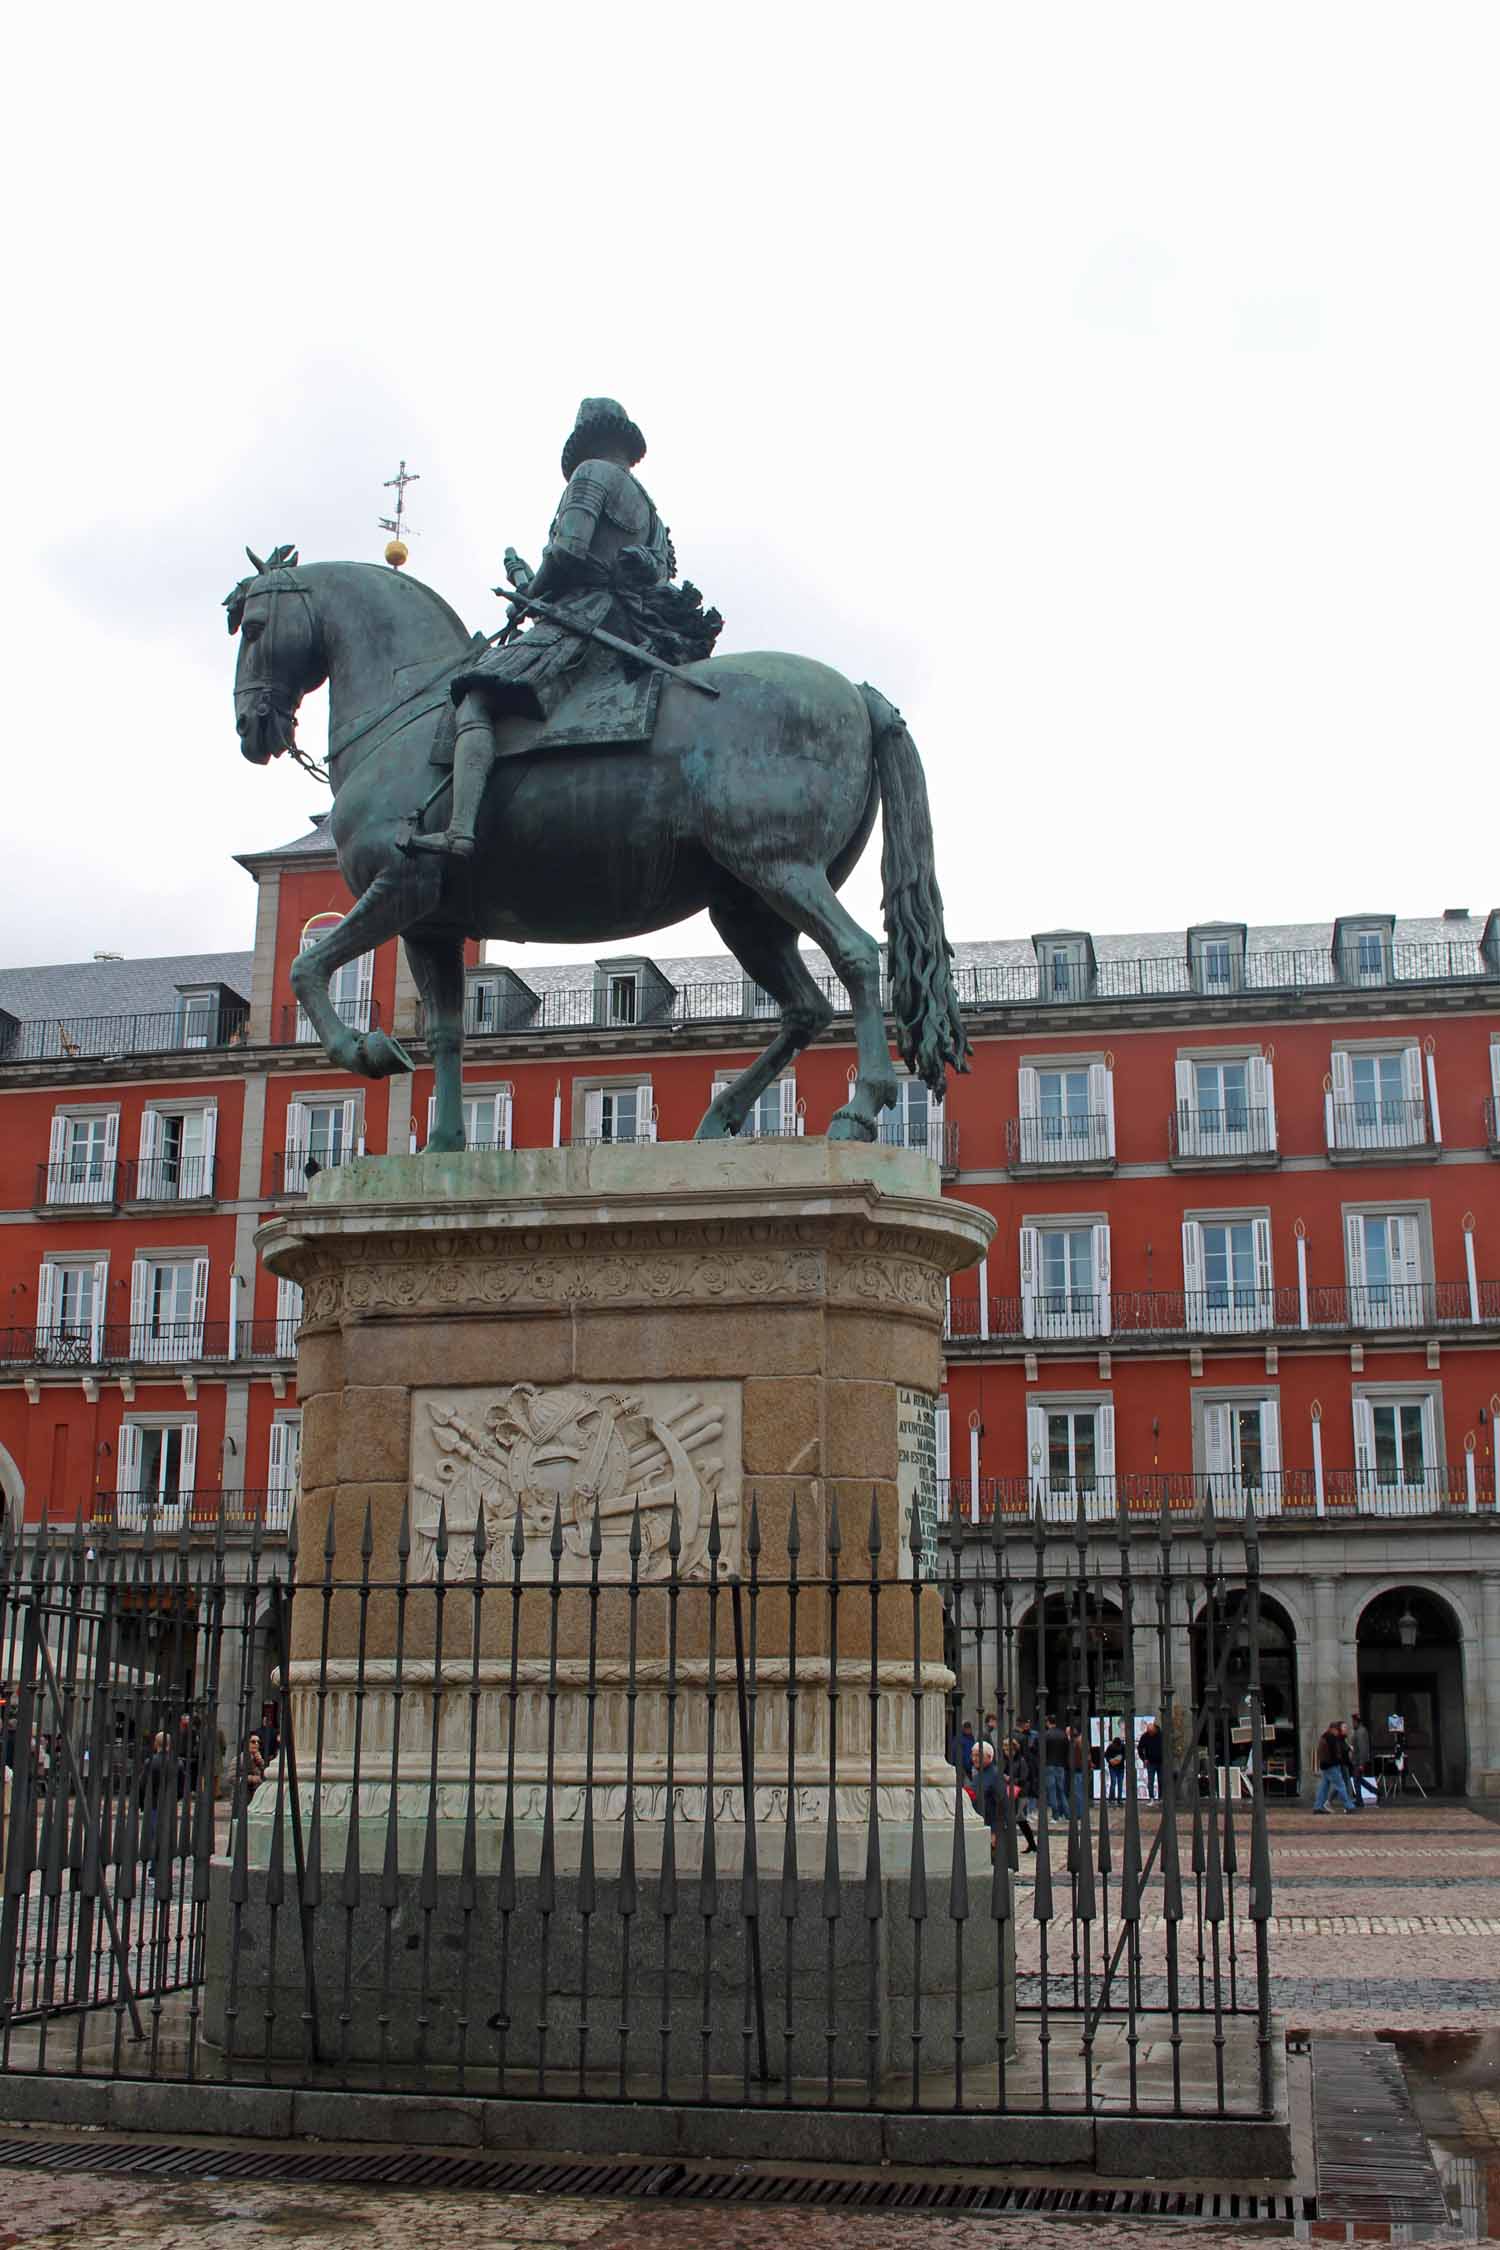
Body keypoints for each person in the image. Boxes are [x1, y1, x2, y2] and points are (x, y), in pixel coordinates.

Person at [413, 398, 721, 863]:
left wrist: (530, 590)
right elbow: (642, 571)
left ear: (587, 440)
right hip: (633, 629)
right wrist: (529, 586)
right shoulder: (651, 511)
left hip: (587, 619)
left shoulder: (591, 475)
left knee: (475, 697)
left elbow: (568, 553)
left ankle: (459, 831)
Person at [1002, 1738, 1038, 1853]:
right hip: (1008, 1792)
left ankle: (1031, 1844)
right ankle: (1029, 1844)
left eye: (1009, 1750)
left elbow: (1024, 1778)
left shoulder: (1021, 1761)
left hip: (1020, 1793)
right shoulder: (1005, 1761)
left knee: (1020, 1818)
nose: (1007, 1752)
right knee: (1015, 1819)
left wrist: (1010, 1779)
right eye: (1006, 1750)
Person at [1313, 1720, 1354, 1813]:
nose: (1337, 1731)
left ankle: (1318, 1806)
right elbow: (1336, 1753)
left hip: (1325, 1765)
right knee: (1341, 1785)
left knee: (1323, 1787)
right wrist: (1338, 1761)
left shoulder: (1324, 1736)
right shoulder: (1331, 1737)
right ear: (1333, 1729)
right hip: (1331, 1765)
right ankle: (1348, 1806)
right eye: (1337, 1729)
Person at [1043, 1715, 1069, 1820]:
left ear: (1048, 1722)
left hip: (1049, 1764)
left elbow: (1042, 1750)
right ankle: (1066, 1813)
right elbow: (1067, 1749)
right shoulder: (1063, 1734)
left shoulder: (1046, 1735)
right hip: (1061, 1765)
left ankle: (1055, 1814)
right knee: (1061, 1790)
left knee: (1052, 1790)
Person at [1349, 1710, 1373, 1809]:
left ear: (1357, 1721)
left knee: (1356, 1780)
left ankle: (1359, 1800)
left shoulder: (1360, 1732)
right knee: (1358, 1780)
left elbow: (1363, 1748)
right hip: (1356, 1760)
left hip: (1358, 1760)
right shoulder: (1359, 1731)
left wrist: (1361, 1763)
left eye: (1354, 1722)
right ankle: (1373, 1791)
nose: (1353, 1724)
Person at [1137, 1719, 1164, 1802]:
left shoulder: (1161, 1735)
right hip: (1150, 1762)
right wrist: (1143, 1758)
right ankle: (1151, 1798)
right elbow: (1139, 1748)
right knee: (1150, 1781)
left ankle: (1161, 1797)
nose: (1150, 1734)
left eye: (1151, 1732)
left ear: (1155, 1730)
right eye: (1149, 1732)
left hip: (1161, 1761)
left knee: (1161, 1780)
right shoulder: (1145, 1736)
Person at [1105, 1731, 1128, 1803]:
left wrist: (1118, 1760)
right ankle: (1112, 1798)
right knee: (1114, 1782)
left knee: (1118, 1783)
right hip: (1114, 1767)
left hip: (1119, 1767)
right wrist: (1111, 1760)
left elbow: (1125, 1756)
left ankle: (1118, 1799)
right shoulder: (1111, 1747)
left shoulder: (1122, 1747)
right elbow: (1106, 1755)